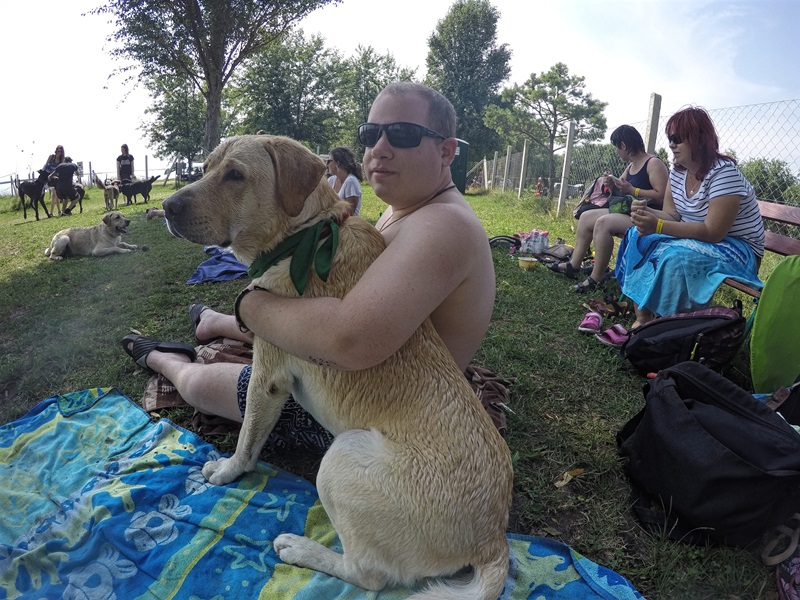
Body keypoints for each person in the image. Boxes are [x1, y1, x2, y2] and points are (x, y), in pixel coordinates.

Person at [123, 82, 498, 451]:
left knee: (202, 384)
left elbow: (349, 340)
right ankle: (215, 323)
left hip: (380, 411)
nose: (379, 149)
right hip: (366, 379)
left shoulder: (443, 225)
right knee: (279, 335)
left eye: (402, 135)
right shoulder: (406, 210)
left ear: (447, 152)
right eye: (371, 134)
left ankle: (164, 359)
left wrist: (249, 305)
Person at [615, 106, 765, 329]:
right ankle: (644, 318)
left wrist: (657, 225)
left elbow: (712, 232)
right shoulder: (678, 172)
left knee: (674, 256)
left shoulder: (725, 174)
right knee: (637, 235)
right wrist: (645, 212)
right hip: (700, 239)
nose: (671, 144)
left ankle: (675, 326)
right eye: (669, 138)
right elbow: (672, 215)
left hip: (739, 250)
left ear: (699, 139)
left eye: (677, 138)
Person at [551, 125, 669, 293]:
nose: (616, 151)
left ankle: (596, 278)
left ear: (624, 145)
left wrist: (633, 190)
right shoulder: (631, 166)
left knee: (603, 222)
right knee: (585, 217)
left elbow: (662, 195)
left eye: (616, 147)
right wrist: (612, 186)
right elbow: (622, 190)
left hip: (647, 217)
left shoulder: (653, 164)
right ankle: (574, 265)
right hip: (629, 211)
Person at [326, 146, 363, 215]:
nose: (327, 165)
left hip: (347, 224)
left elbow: (348, 213)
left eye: (329, 161)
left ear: (337, 163)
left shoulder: (351, 182)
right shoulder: (331, 180)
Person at [43, 145, 66, 216]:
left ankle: (51, 212)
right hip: (49, 178)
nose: (59, 153)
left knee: (54, 195)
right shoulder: (51, 157)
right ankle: (59, 211)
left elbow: (61, 171)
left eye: (60, 151)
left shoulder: (61, 161)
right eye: (58, 151)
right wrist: (42, 172)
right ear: (56, 151)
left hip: (56, 179)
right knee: (56, 193)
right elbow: (45, 165)